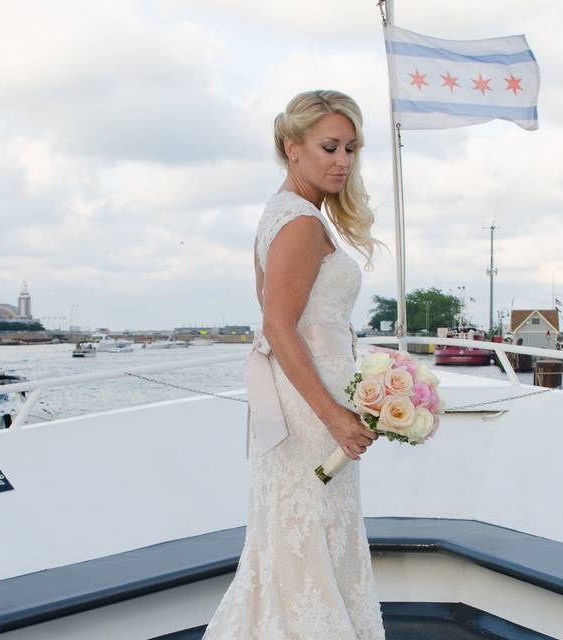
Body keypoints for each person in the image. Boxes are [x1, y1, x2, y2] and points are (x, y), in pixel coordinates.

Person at [203, 90, 385, 638]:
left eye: (351, 148)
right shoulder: (300, 222)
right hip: (311, 411)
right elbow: (278, 326)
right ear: (292, 147)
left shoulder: (282, 213)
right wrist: (334, 415)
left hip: (303, 397)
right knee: (309, 539)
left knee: (301, 538)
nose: (343, 161)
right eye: (329, 147)